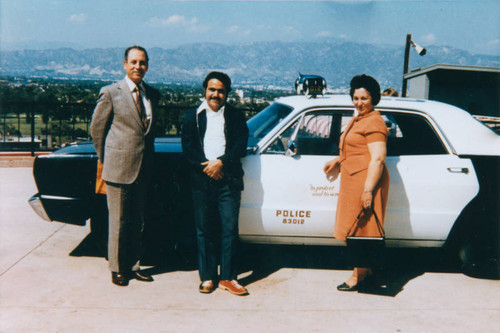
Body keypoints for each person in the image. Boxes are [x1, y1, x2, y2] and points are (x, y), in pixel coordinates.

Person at [90, 46, 160, 286]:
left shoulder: (151, 94)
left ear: (147, 66)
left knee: (137, 221)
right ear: (124, 64)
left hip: (143, 168)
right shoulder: (111, 93)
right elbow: (97, 130)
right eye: (133, 62)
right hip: (118, 168)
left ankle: (134, 265)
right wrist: (107, 159)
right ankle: (117, 268)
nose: (137, 67)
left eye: (142, 62)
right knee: (118, 221)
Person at [181, 71, 249, 296]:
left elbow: (239, 146)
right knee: (205, 230)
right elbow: (189, 149)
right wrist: (208, 168)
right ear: (204, 90)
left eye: (220, 90)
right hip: (201, 182)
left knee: (229, 230)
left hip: (228, 180)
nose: (215, 94)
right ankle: (208, 277)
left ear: (227, 93)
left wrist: (220, 164)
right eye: (212, 89)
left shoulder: (237, 116)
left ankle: (228, 278)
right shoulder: (192, 116)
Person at [323, 74, 390, 291]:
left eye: (364, 98)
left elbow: (378, 158)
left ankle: (358, 275)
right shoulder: (359, 118)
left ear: (374, 99)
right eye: (355, 98)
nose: (359, 103)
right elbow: (355, 148)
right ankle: (365, 270)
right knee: (353, 228)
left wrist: (368, 190)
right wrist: (338, 160)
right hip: (354, 179)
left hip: (366, 181)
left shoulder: (374, 121)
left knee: (361, 229)